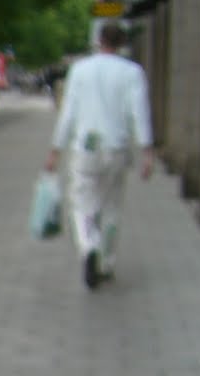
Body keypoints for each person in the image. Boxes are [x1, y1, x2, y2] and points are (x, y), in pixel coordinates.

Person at [44, 23, 155, 289]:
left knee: (82, 203)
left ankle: (89, 246)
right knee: (113, 206)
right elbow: (139, 112)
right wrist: (147, 151)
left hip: (86, 147)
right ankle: (107, 263)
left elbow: (68, 113)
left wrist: (55, 150)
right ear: (122, 44)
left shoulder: (80, 70)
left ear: (98, 41)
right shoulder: (132, 72)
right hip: (116, 148)